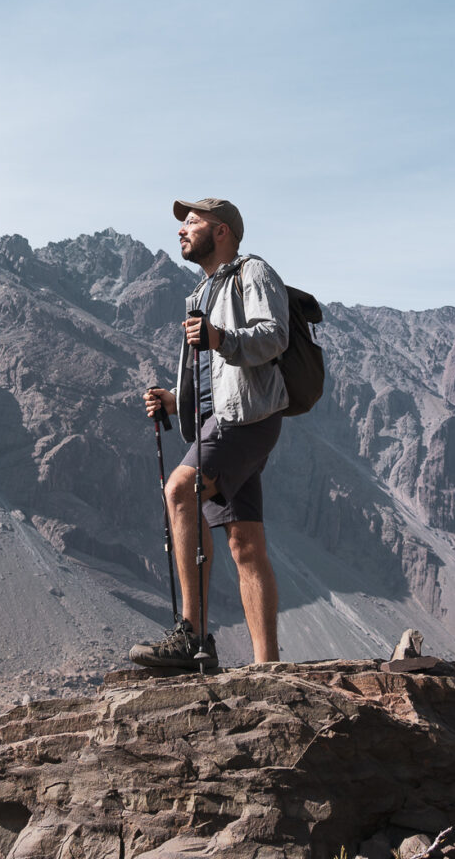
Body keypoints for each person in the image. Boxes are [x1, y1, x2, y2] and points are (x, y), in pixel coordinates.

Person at [130, 197, 289, 671]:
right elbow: (213, 382)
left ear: (221, 231)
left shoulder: (252, 273)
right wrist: (174, 401)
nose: (181, 230)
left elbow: (274, 335)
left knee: (180, 489)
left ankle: (193, 636)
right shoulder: (201, 295)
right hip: (226, 419)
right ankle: (268, 667)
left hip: (245, 420)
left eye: (192, 222)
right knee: (245, 543)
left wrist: (221, 338)